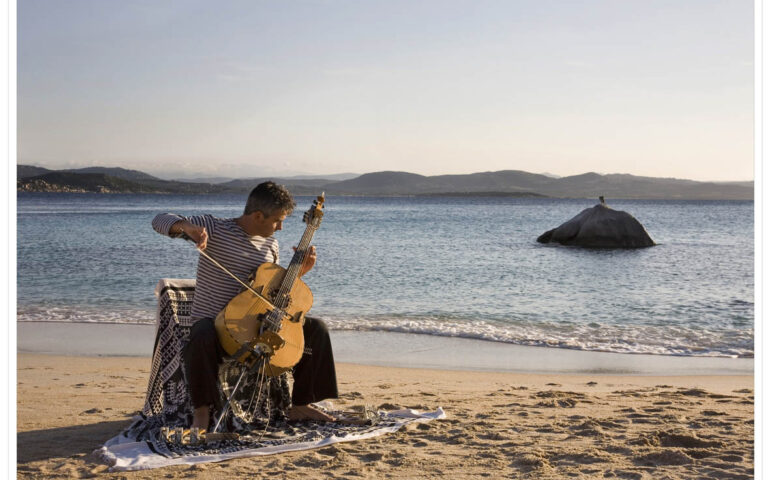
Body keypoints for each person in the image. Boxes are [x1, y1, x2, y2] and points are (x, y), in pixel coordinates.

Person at [152, 181, 338, 430]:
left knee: (317, 328)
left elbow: (272, 292)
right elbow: (159, 220)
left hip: (255, 327)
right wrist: (188, 228)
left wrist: (298, 274)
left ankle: (301, 403)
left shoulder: (270, 244)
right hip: (216, 327)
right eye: (277, 221)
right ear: (258, 215)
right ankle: (202, 411)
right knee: (201, 332)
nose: (281, 228)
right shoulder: (215, 228)